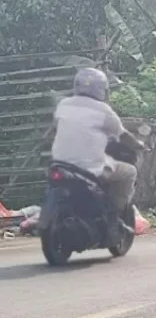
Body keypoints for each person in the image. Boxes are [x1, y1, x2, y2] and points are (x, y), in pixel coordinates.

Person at [51, 67, 144, 242]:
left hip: (60, 165)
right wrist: (138, 144)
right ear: (101, 88)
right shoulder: (103, 111)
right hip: (90, 168)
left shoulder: (63, 104)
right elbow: (123, 135)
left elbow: (57, 126)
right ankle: (114, 214)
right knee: (129, 172)